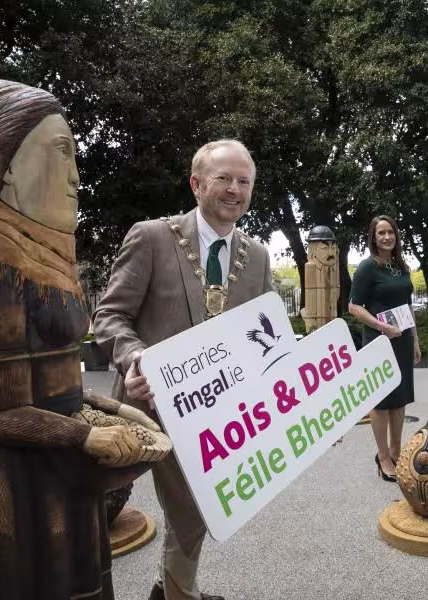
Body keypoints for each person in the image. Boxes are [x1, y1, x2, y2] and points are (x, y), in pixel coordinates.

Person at [0, 79, 155, 599]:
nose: (76, 177)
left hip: (59, 462)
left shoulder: (40, 248)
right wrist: (83, 436)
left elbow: (52, 380)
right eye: (62, 155)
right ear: (6, 165)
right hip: (12, 479)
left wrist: (114, 410)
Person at [93, 139, 272, 600]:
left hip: (213, 414)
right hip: (144, 410)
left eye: (244, 181)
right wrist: (135, 356)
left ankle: (171, 590)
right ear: (196, 184)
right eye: (223, 179)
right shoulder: (152, 236)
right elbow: (109, 317)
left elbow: (265, 337)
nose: (235, 189)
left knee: (196, 513)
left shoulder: (259, 258)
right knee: (119, 507)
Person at [348, 215, 421, 481]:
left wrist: (414, 339)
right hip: (379, 340)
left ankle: (396, 451)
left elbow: (408, 305)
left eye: (390, 232)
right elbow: (353, 306)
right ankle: (382, 457)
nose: (387, 237)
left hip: (401, 339)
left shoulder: (401, 266)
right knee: (380, 402)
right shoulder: (368, 267)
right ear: (374, 238)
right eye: (381, 233)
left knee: (399, 399)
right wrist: (381, 326)